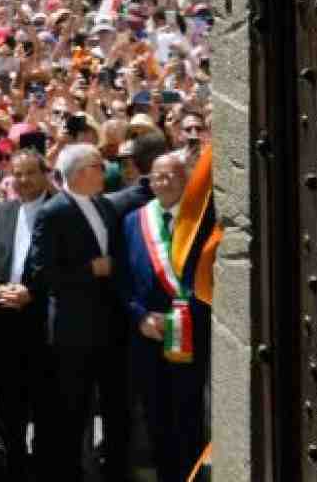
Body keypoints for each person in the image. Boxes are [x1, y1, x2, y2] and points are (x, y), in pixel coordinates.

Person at [26, 143, 130, 482]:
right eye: (99, 165)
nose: (106, 171)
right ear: (81, 172)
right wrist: (90, 269)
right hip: (73, 330)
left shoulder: (105, 206)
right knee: (72, 411)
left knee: (116, 407)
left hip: (110, 327)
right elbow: (42, 273)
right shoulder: (54, 212)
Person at [117, 152, 214, 482]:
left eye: (171, 175)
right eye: (157, 176)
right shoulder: (133, 221)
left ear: (186, 179)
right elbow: (123, 280)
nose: (162, 182)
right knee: (155, 412)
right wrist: (140, 316)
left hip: (193, 332)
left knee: (189, 412)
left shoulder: (203, 220)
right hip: (150, 334)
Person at [0, 147, 55, 481]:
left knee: (44, 398)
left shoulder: (59, 210)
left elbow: (64, 265)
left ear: (46, 174)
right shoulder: (4, 211)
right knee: (8, 397)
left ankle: (42, 465)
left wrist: (32, 292)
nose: (24, 180)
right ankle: (12, 464)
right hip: (5, 316)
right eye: (18, 173)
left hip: (43, 318)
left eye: (30, 173)